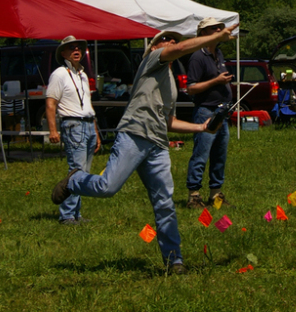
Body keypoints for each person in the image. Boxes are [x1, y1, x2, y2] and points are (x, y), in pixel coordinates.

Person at [52, 24, 236, 274]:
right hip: (134, 136)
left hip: (158, 145)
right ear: (153, 46)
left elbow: (168, 121)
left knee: (165, 205)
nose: (171, 42)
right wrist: (216, 36)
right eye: (165, 39)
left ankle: (175, 261)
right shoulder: (152, 60)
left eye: (173, 39)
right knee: (107, 187)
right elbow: (182, 48)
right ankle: (75, 179)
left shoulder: (170, 81)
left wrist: (201, 128)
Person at [46, 36, 101, 226]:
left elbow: (88, 104)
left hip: (87, 123)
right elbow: (51, 103)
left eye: (78, 48)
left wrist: (95, 129)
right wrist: (53, 130)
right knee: (76, 170)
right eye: (71, 48)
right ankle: (67, 215)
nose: (76, 50)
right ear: (63, 53)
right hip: (73, 125)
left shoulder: (83, 75)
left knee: (84, 171)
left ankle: (76, 213)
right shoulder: (59, 74)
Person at [184, 17, 233, 208]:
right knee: (201, 154)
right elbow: (191, 88)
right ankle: (194, 195)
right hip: (205, 111)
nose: (219, 31)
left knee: (219, 154)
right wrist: (216, 82)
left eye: (220, 28)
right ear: (203, 33)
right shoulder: (198, 56)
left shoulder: (218, 53)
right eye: (214, 28)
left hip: (221, 111)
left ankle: (215, 194)